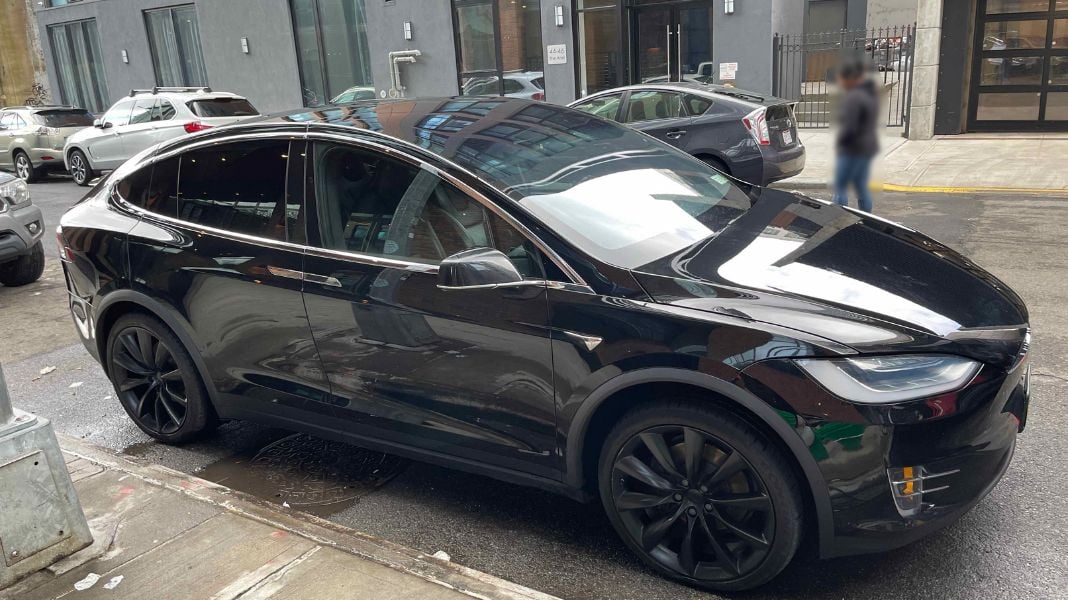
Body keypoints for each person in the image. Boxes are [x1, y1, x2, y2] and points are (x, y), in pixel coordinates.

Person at [833, 57, 878, 213]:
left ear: (850, 79)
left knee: (841, 187)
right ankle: (867, 218)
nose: (840, 82)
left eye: (841, 79)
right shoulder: (869, 94)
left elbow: (850, 128)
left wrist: (841, 142)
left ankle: (838, 216)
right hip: (867, 147)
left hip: (852, 149)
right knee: (861, 186)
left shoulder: (854, 97)